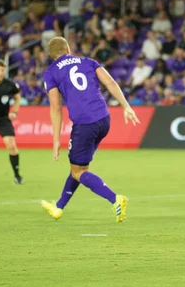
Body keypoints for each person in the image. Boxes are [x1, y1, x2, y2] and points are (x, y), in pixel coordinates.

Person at [40, 37, 140, 222]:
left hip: (85, 124)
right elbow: (110, 82)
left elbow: (55, 108)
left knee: (79, 172)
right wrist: (126, 106)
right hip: (104, 119)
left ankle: (115, 199)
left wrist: (55, 139)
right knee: (78, 168)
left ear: (51, 55)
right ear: (68, 48)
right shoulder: (87, 61)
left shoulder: (51, 73)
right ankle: (59, 208)